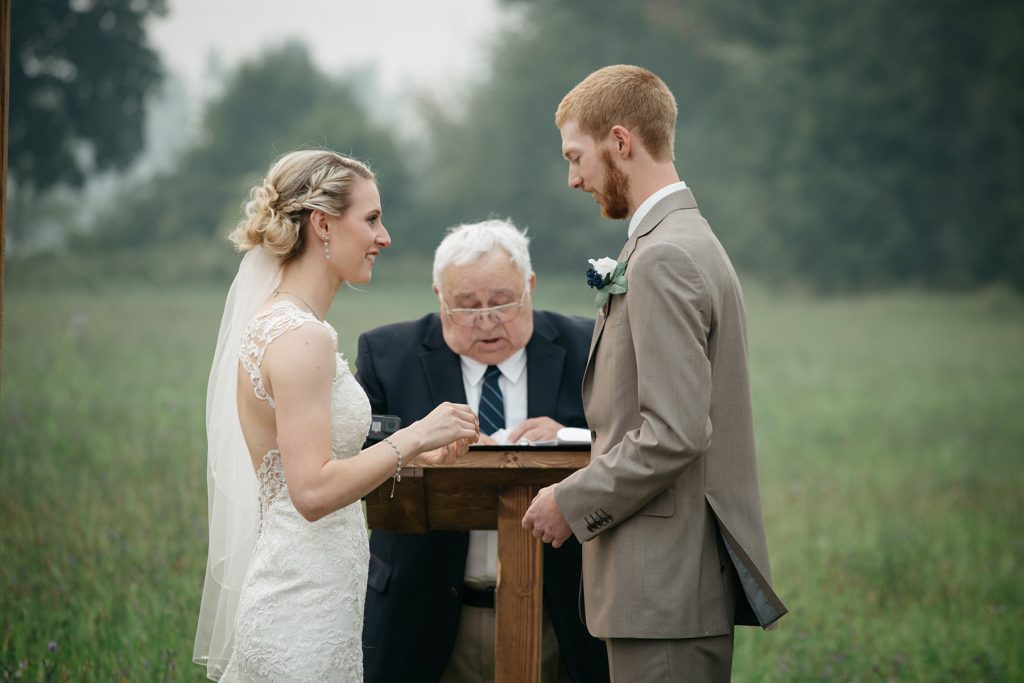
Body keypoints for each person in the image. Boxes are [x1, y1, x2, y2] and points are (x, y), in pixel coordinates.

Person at [522, 65, 788, 681]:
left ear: (621, 142)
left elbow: (675, 432)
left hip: (665, 592)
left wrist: (570, 499)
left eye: (576, 156)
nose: (572, 178)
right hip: (663, 593)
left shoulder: (665, 254)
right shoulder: (677, 238)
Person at [193, 149, 479, 682]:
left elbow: (317, 460)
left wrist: (414, 451)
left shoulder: (285, 323)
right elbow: (312, 492)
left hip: (316, 590)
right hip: (303, 606)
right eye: (371, 219)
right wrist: (416, 432)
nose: (384, 236)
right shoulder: (302, 337)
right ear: (322, 224)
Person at [357, 220, 609, 683]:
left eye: (503, 303)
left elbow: (633, 445)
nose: (487, 321)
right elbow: (358, 459)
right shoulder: (387, 355)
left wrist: (568, 437)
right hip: (426, 611)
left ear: (530, 286)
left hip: (564, 612)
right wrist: (423, 447)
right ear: (439, 297)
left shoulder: (589, 346)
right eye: (467, 307)